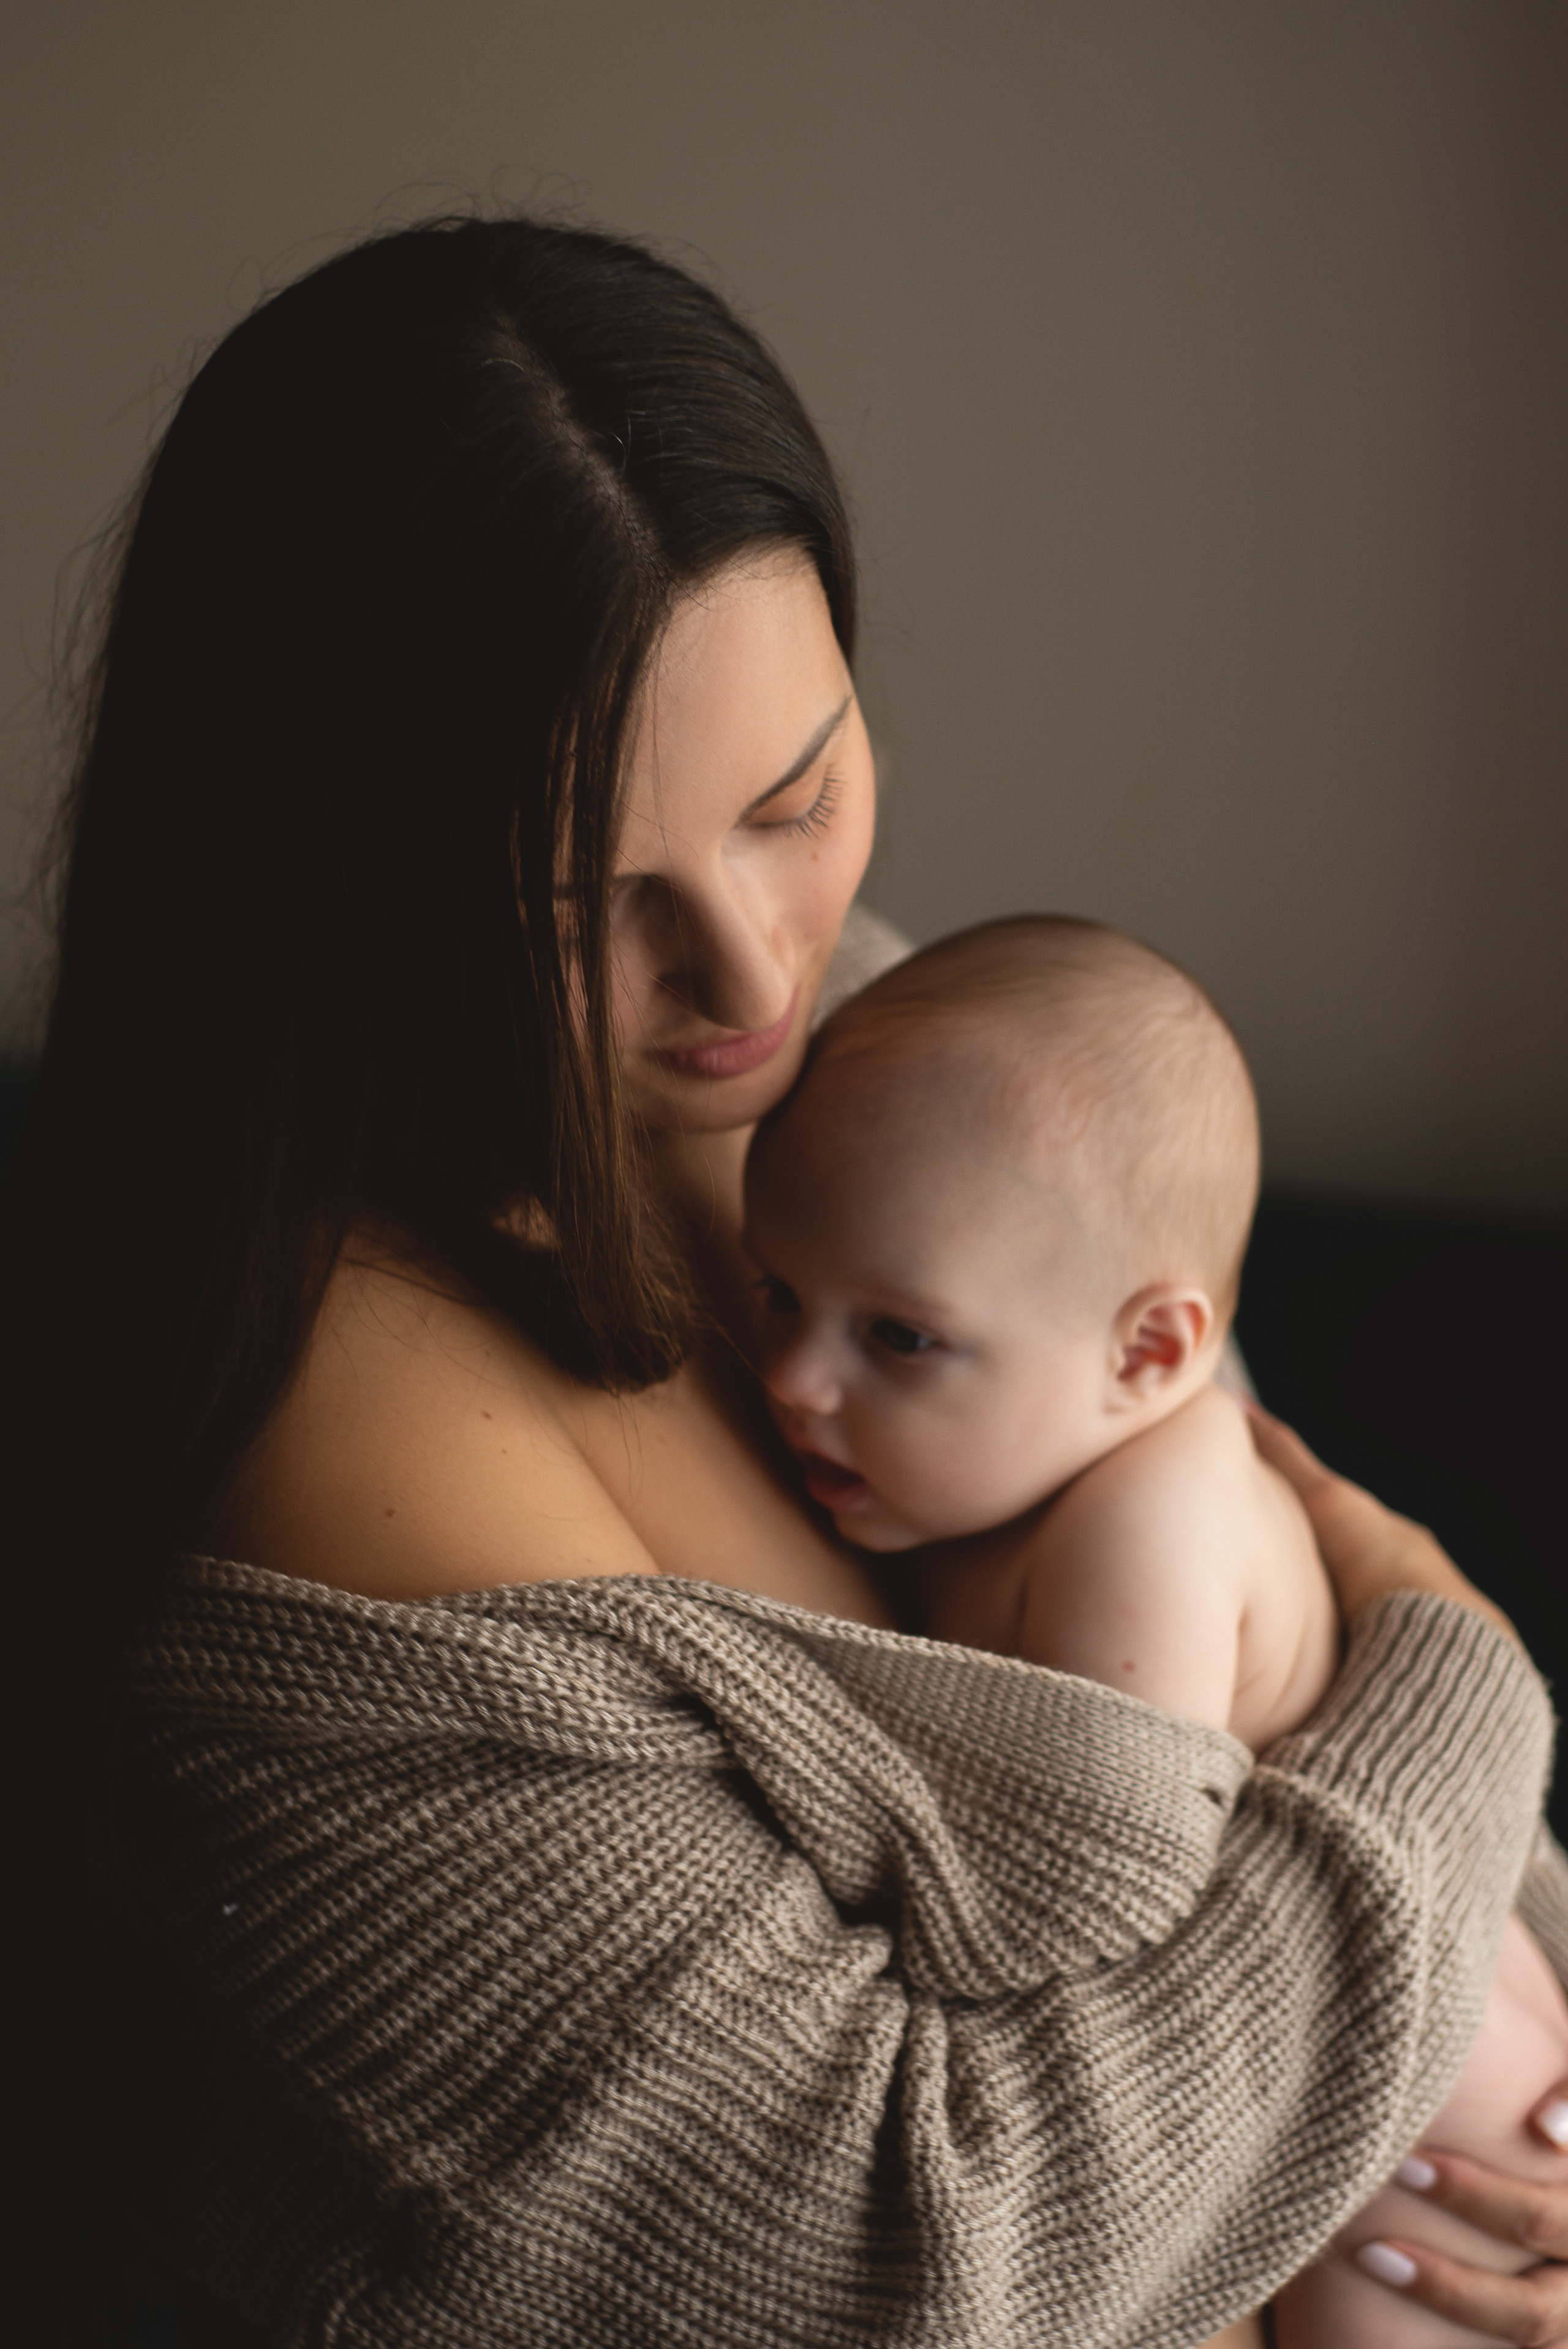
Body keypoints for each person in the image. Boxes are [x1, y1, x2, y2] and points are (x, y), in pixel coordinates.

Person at [6, 213, 1568, 2349]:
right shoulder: (342, 1440)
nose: (757, 975)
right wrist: (1460, 1657)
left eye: (799, 792)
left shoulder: (881, 1050)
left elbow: (1259, 1636)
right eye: (583, 899)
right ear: (327, 893)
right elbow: (911, 2247)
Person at [743, 912, 1568, 2346]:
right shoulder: (990, 1476)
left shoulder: (1154, 1509)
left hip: (1431, 2105)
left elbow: (1094, 1900)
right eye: (779, 1296)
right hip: (1333, 2056)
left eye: (896, 1337)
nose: (795, 1379)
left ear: (1148, 1353)